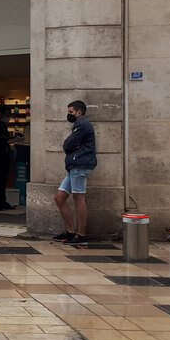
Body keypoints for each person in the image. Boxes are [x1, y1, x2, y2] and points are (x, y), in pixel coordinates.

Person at [54, 100, 97, 244]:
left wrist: (68, 145)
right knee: (59, 198)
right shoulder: (79, 125)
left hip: (80, 165)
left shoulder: (82, 124)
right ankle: (70, 231)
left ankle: (81, 235)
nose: (69, 114)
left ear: (79, 112)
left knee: (79, 198)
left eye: (71, 112)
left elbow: (68, 144)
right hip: (74, 166)